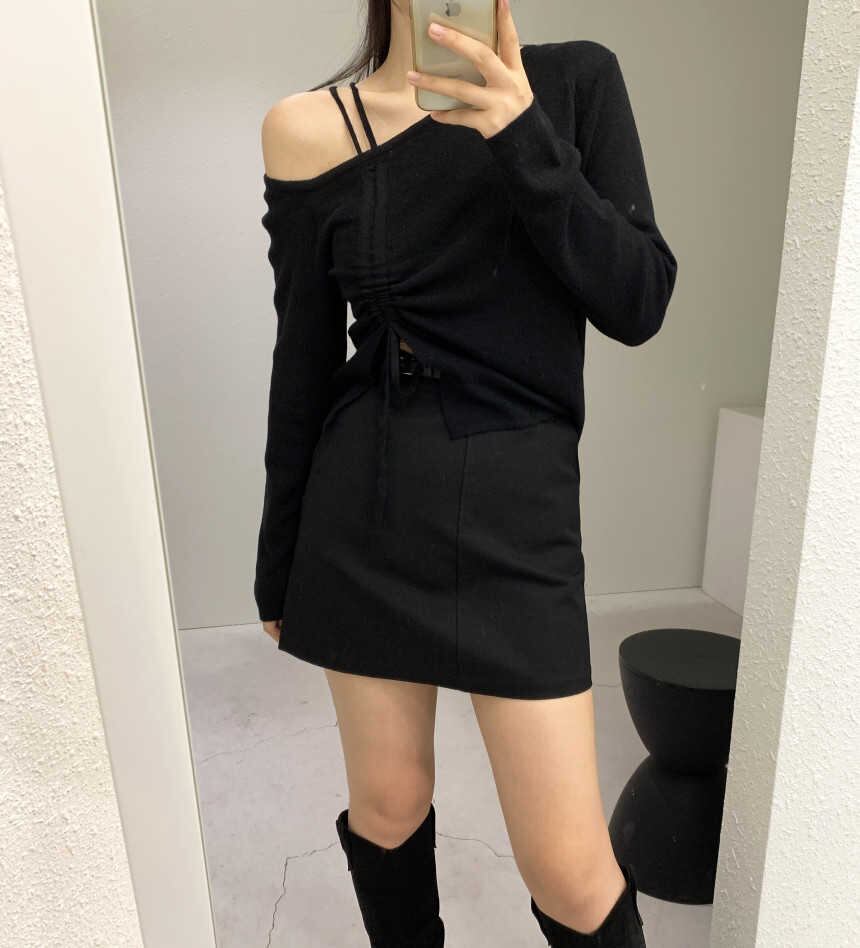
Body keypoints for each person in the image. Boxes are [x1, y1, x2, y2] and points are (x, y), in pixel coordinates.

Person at [255, 0, 676, 943]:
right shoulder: (307, 127)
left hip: (518, 511)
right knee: (389, 806)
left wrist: (522, 135)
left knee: (570, 872)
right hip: (366, 506)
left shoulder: (574, 83)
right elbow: (304, 361)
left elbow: (639, 299)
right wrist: (276, 561)